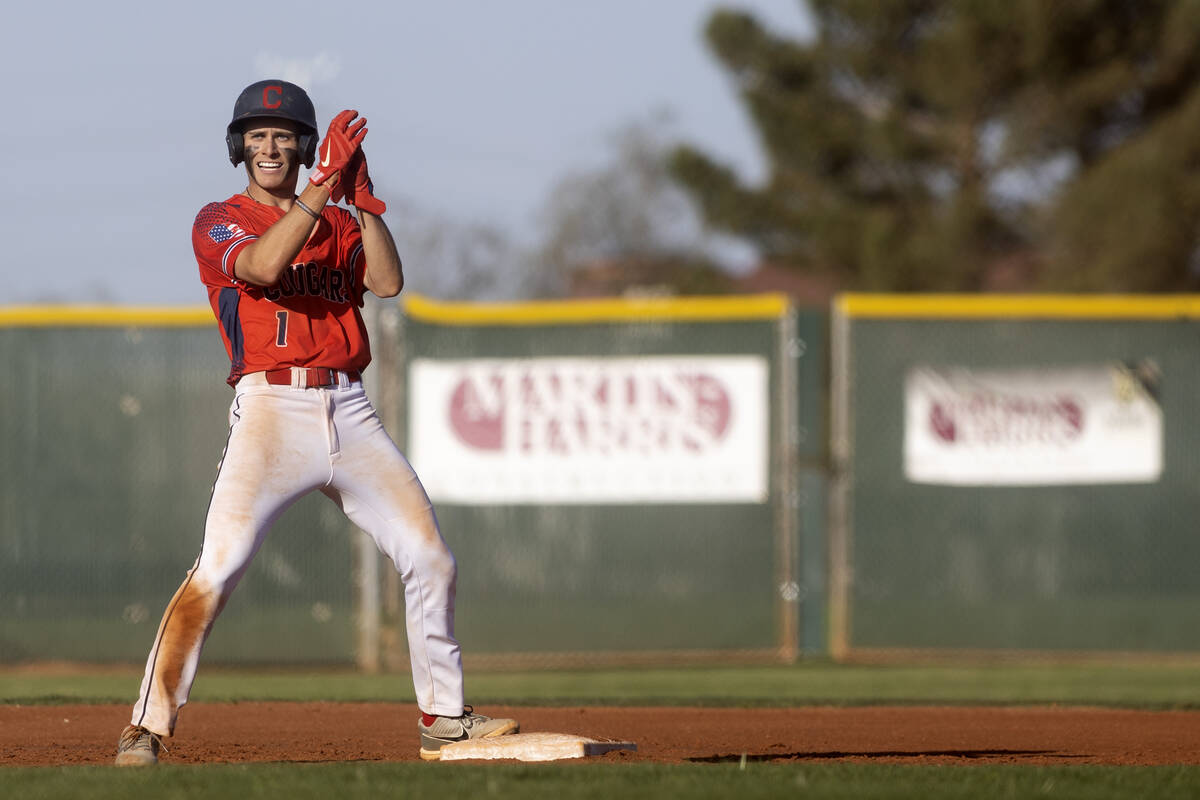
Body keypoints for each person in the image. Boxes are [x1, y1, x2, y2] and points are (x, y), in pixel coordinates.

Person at [115, 79, 518, 766]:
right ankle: (146, 728)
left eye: (285, 135)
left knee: (430, 558)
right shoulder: (220, 218)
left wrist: (363, 204)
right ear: (239, 145)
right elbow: (267, 264)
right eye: (257, 134)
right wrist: (323, 186)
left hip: (349, 408)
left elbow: (387, 284)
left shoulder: (334, 218)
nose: (270, 145)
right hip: (271, 409)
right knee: (220, 566)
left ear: (304, 145)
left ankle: (444, 718)